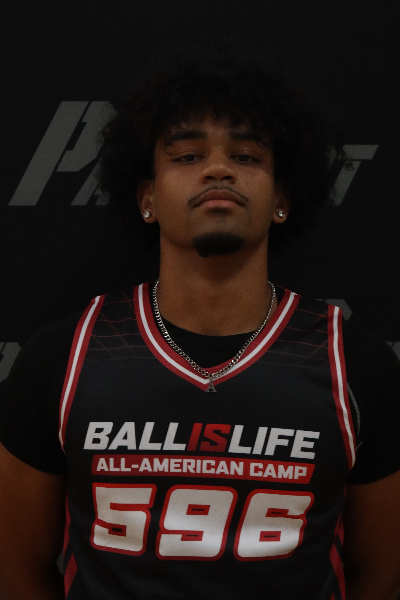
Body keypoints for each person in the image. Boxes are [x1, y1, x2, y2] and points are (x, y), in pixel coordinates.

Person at [0, 49, 400, 600]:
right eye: (187, 156)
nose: (218, 169)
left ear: (281, 199)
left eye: (246, 156)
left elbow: (381, 576)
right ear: (147, 198)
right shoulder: (63, 357)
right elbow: (18, 571)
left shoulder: (356, 366)